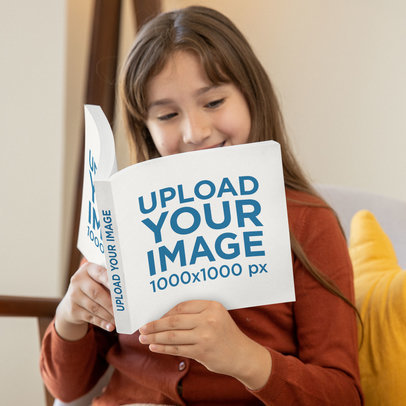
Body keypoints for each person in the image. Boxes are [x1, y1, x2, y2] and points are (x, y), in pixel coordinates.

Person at [40, 6, 363, 405]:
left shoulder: (307, 222)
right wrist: (70, 317)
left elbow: (344, 395)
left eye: (213, 102)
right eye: (168, 114)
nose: (195, 132)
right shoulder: (125, 218)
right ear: (146, 127)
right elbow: (66, 388)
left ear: (250, 96)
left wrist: (245, 358)